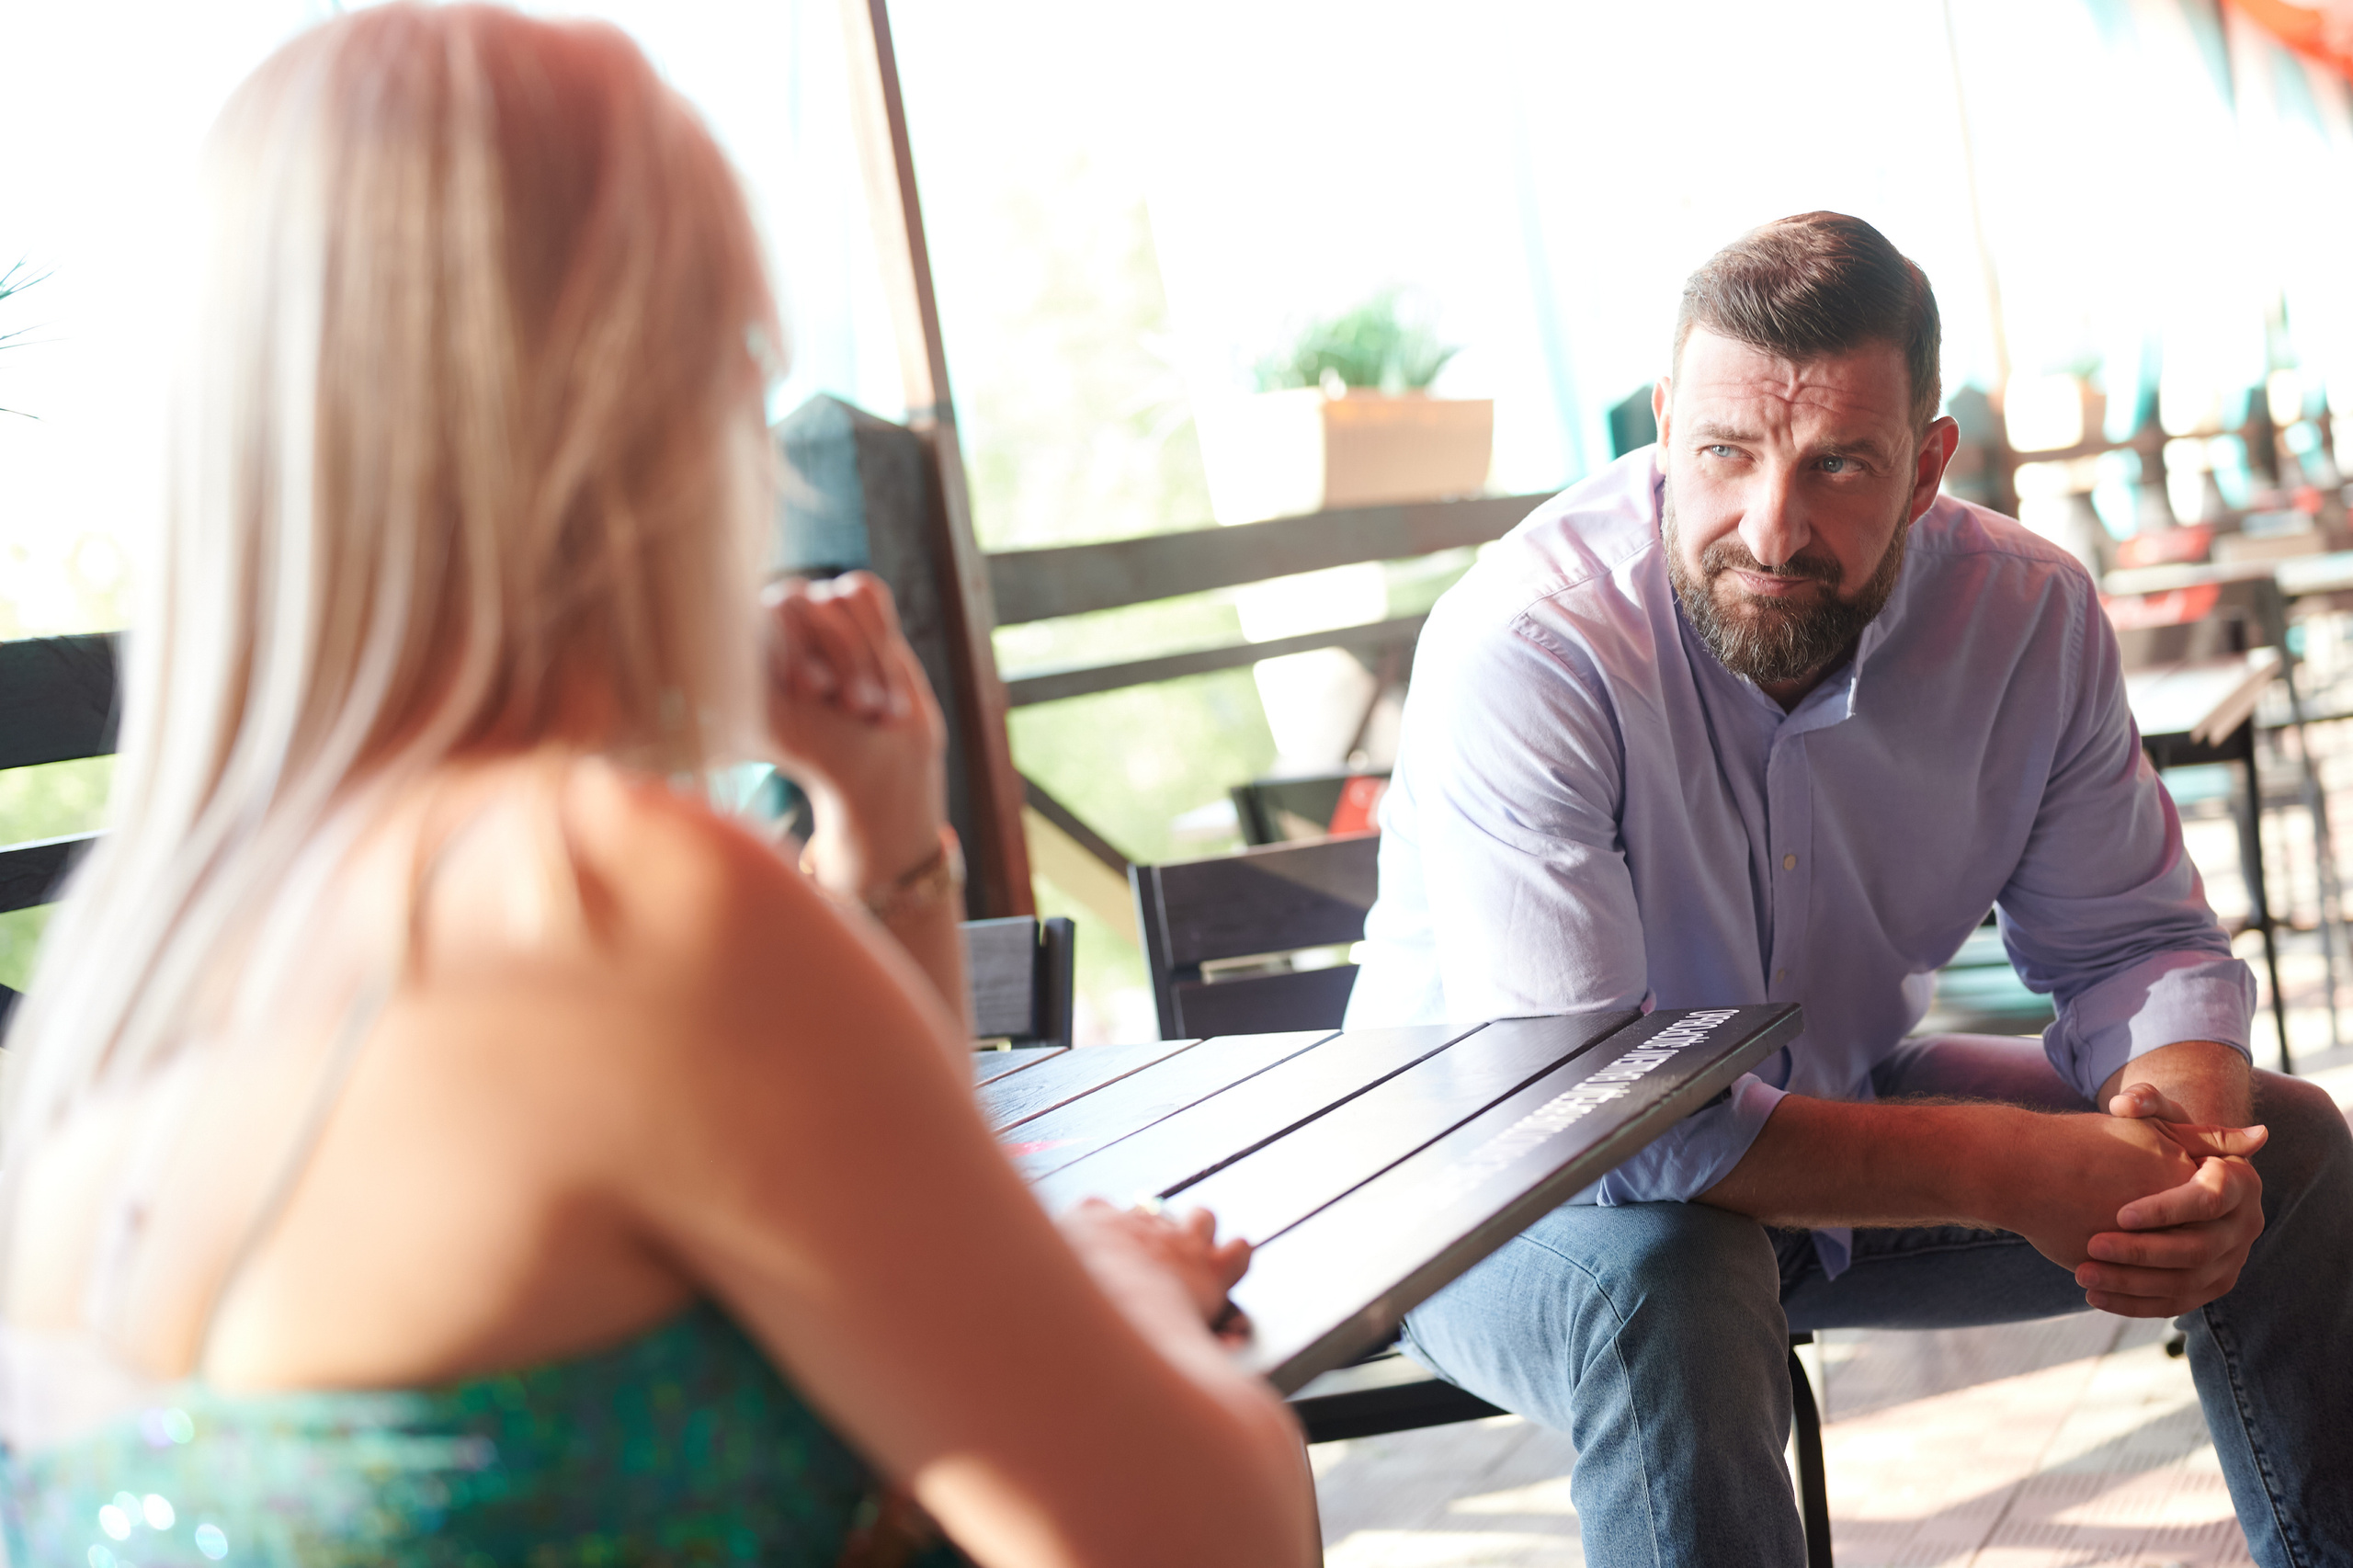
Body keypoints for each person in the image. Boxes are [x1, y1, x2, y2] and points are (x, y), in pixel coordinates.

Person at [0, 8, 1317, 1566]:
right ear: (635, 417)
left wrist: (883, 824)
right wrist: (1118, 1290)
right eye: (739, 371)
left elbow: (871, 1228)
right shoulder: (607, 901)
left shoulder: (136, 971)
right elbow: (1193, 1534)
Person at [1346, 211, 2352, 1566]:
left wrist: (2191, 1148)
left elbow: (2135, 942)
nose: (1771, 524)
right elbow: (1610, 1125)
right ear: (1660, 424)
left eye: (1837, 464)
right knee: (1676, 1277)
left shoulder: (2026, 617)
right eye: (1722, 452)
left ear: (1929, 465)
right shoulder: (1529, 643)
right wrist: (2006, 1167)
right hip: (1494, 1187)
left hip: (1827, 1113)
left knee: (2286, 1154)